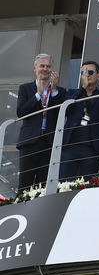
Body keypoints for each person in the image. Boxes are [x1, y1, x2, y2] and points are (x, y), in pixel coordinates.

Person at [16, 54, 67, 190]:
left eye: (48, 66)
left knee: (43, 183)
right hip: (30, 140)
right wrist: (37, 95)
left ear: (52, 69)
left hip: (49, 141)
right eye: (42, 66)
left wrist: (54, 90)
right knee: (25, 183)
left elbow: (61, 114)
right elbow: (21, 113)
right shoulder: (26, 88)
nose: (45, 69)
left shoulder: (60, 91)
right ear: (35, 68)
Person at [60, 61, 99, 181]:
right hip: (70, 146)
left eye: (90, 72)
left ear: (98, 76)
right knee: (64, 183)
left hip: (91, 147)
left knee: (88, 184)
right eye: (83, 72)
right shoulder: (72, 93)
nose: (87, 75)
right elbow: (66, 109)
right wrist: (83, 89)